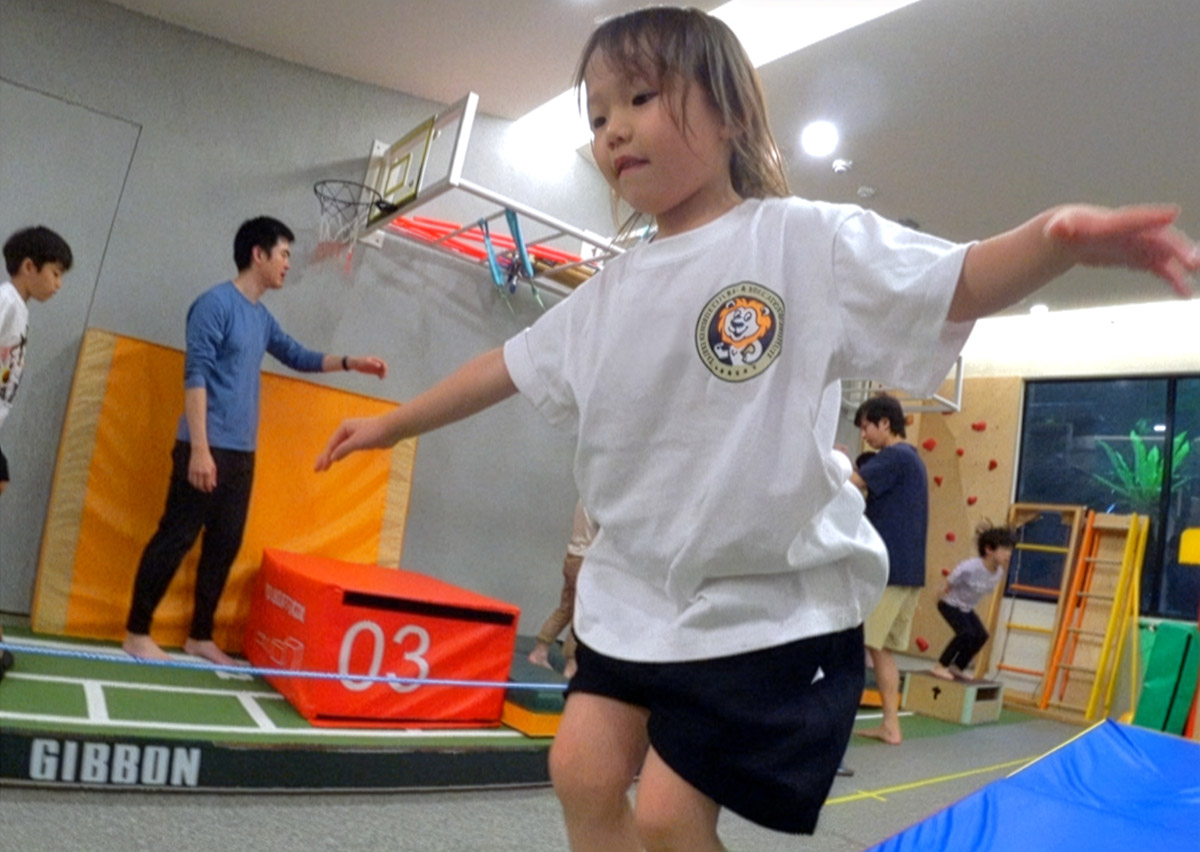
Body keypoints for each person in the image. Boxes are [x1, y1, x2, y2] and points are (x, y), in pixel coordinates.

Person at [314, 8, 1197, 849]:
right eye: (597, 113)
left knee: (666, 814)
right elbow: (502, 367)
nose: (613, 128)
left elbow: (953, 282)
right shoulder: (615, 289)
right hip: (636, 590)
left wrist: (1053, 239)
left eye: (641, 98)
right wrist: (394, 425)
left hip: (758, 601)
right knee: (581, 772)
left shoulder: (798, 243)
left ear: (730, 111)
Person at [123, 216, 388, 666]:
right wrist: (201, 449)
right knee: (176, 536)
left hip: (241, 453)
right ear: (258, 254)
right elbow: (196, 375)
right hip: (205, 446)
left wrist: (350, 361)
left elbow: (298, 356)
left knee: (224, 544)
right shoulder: (213, 305)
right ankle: (136, 632)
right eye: (283, 253)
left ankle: (200, 637)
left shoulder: (261, 318)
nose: (288, 263)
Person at [0, 226, 73, 683]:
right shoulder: (7, 301)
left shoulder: (18, 309)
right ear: (29, 267)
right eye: (55, 272)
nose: (58, 283)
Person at [851, 393, 927, 747]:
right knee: (881, 650)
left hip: (890, 571)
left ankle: (871, 723)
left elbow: (853, 483)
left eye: (867, 426)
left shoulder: (895, 457)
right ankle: (891, 725)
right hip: (908, 571)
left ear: (885, 423)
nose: (864, 434)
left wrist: (832, 462)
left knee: (860, 645)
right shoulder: (912, 461)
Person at [931, 523, 1016, 681]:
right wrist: (943, 590)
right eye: (1004, 549)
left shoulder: (998, 573)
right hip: (949, 603)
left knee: (981, 635)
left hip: (965, 608)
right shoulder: (971, 567)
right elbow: (953, 578)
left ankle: (957, 666)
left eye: (1010, 550)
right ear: (989, 550)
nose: (1008, 554)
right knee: (965, 633)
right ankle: (940, 666)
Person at [528, 500, 598, 679]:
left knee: (565, 608)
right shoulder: (598, 500)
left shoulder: (583, 499)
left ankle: (540, 650)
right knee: (580, 614)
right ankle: (572, 664)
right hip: (586, 560)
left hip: (572, 556)